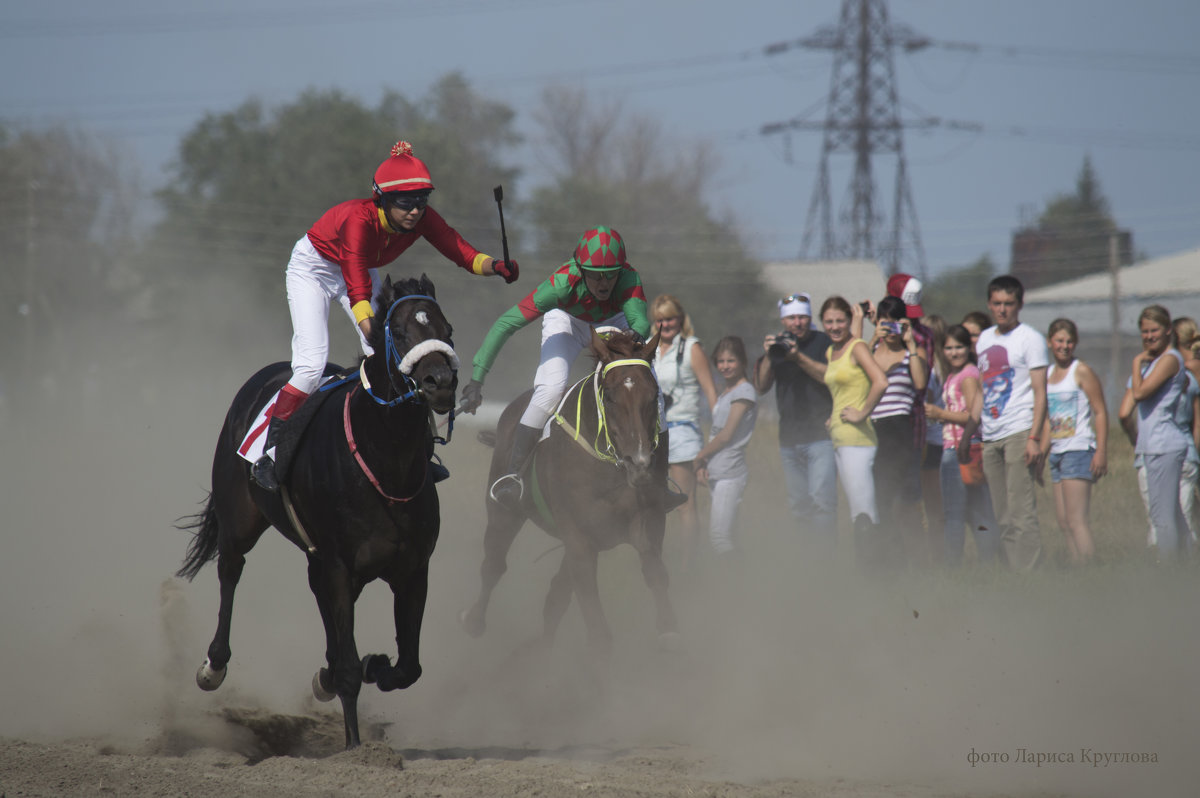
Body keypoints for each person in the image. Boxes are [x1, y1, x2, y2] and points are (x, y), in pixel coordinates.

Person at [251, 140, 519, 491]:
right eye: (405, 202)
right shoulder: (358, 222)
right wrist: (374, 333)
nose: (414, 211)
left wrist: (496, 266)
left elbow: (459, 251)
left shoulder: (422, 219)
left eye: (421, 201)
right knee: (311, 366)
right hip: (315, 270)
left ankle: (420, 448)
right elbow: (357, 288)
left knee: (396, 359)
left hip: (360, 271)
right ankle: (269, 453)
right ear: (382, 200)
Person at [459, 226, 654, 510]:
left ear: (620, 270)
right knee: (550, 390)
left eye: (610, 274)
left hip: (614, 321)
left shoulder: (629, 277)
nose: (603, 283)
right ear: (580, 268)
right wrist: (477, 378)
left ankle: (658, 476)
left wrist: (637, 337)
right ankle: (512, 476)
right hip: (567, 320)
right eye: (595, 274)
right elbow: (506, 324)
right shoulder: (561, 284)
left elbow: (640, 322)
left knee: (647, 386)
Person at [753, 292, 837, 555]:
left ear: (810, 318)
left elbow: (830, 377)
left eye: (802, 317)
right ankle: (805, 557)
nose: (797, 323)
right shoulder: (778, 346)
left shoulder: (823, 342)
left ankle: (823, 557)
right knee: (798, 504)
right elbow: (761, 386)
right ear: (783, 321)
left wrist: (797, 357)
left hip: (820, 436)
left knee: (822, 502)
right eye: (791, 319)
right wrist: (769, 355)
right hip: (789, 438)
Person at [976, 274, 1048, 572]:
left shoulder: (1030, 339)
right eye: (997, 303)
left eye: (1008, 303)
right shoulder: (984, 339)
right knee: (1001, 513)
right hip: (990, 434)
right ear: (989, 304)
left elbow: (1041, 392)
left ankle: (1028, 573)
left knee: (1021, 510)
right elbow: (983, 389)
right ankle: (1012, 570)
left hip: (1019, 430)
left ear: (1020, 304)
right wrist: (972, 430)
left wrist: (1034, 438)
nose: (1002, 309)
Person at [1118, 306, 1193, 561]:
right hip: (1154, 444)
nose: (1149, 336)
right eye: (1144, 332)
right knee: (1172, 512)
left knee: (1161, 516)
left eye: (1154, 331)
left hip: (1164, 443)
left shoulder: (1169, 359)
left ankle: (1169, 569)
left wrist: (1136, 362)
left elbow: (1138, 394)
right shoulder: (1158, 361)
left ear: (1168, 330)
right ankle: (1189, 565)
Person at [819, 296, 888, 565]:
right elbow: (845, 388)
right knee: (855, 512)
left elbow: (880, 382)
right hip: (839, 438)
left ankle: (875, 574)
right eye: (829, 321)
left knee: (863, 513)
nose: (834, 326)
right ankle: (868, 571)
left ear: (849, 321)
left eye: (840, 321)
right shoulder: (831, 351)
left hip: (858, 440)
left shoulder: (857, 346)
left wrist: (862, 412)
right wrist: (833, 416)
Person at [651, 294, 718, 568]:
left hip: (682, 432)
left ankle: (689, 565)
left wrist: (715, 441)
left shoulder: (692, 348)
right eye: (659, 319)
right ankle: (655, 561)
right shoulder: (648, 347)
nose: (664, 324)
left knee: (684, 504)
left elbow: (711, 393)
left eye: (669, 318)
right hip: (654, 434)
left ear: (680, 319)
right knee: (650, 503)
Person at [925, 324, 998, 566]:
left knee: (954, 513)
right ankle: (991, 562)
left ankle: (952, 567)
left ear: (969, 348)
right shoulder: (957, 374)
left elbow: (972, 417)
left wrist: (940, 413)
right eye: (949, 348)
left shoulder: (967, 375)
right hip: (964, 447)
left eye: (959, 347)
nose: (954, 352)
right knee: (978, 509)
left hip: (959, 448)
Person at [1039, 319, 1108, 566]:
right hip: (1057, 452)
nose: (1065, 346)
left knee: (1077, 520)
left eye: (1069, 341)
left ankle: (1092, 571)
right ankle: (1078, 568)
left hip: (1078, 449)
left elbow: (1100, 411)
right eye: (1059, 340)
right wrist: (1041, 455)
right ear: (1049, 342)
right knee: (1063, 521)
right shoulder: (1046, 374)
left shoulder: (1081, 371)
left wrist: (1100, 451)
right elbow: (1048, 421)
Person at [868, 295, 929, 567]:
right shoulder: (869, 352)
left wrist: (911, 343)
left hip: (900, 432)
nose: (890, 329)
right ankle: (886, 557)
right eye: (885, 323)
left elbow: (919, 382)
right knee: (876, 500)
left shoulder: (910, 354)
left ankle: (908, 558)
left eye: (895, 323)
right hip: (871, 431)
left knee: (899, 500)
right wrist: (871, 341)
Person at [694, 337, 757, 556]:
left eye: (731, 360)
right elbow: (715, 433)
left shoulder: (744, 392)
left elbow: (726, 435)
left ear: (742, 362)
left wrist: (699, 457)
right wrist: (705, 464)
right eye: (720, 361)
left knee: (719, 537)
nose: (725, 366)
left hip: (730, 474)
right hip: (717, 471)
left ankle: (733, 581)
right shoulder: (727, 392)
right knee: (729, 534)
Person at [919, 314, 948, 564]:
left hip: (929, 440)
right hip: (942, 439)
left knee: (930, 505)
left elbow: (925, 403)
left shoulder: (927, 368)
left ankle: (936, 557)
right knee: (936, 504)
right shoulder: (945, 365)